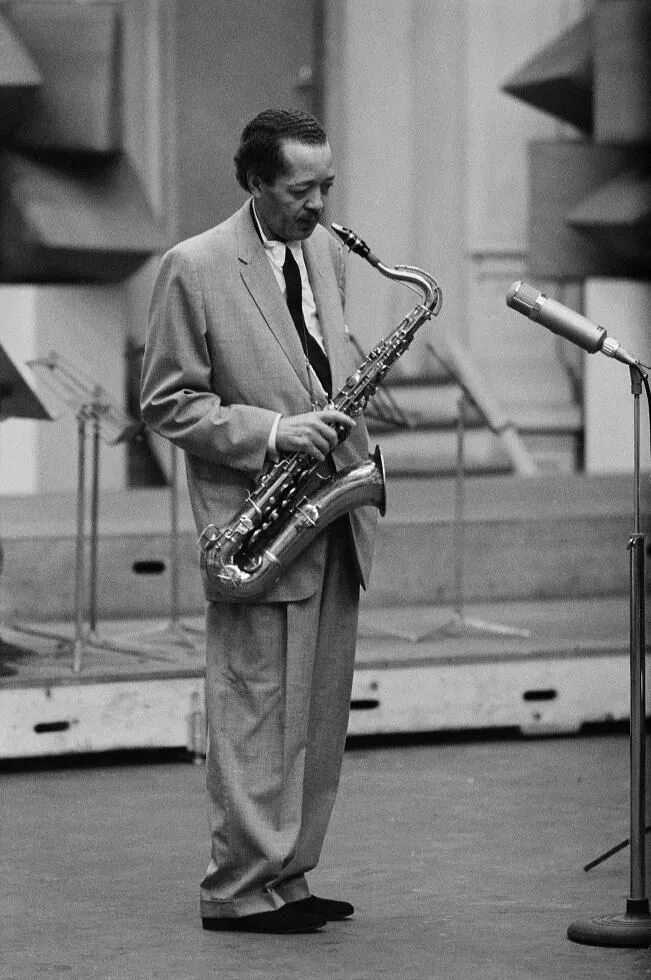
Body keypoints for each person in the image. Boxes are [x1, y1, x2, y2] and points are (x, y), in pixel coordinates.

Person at [140, 108, 377, 934]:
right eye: (300, 190)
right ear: (253, 181)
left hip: (329, 508)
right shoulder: (192, 266)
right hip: (259, 516)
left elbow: (315, 355)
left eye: (327, 187)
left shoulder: (320, 251)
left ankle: (288, 875)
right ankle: (238, 889)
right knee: (256, 709)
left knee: (317, 711)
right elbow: (167, 402)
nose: (318, 206)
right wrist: (275, 432)